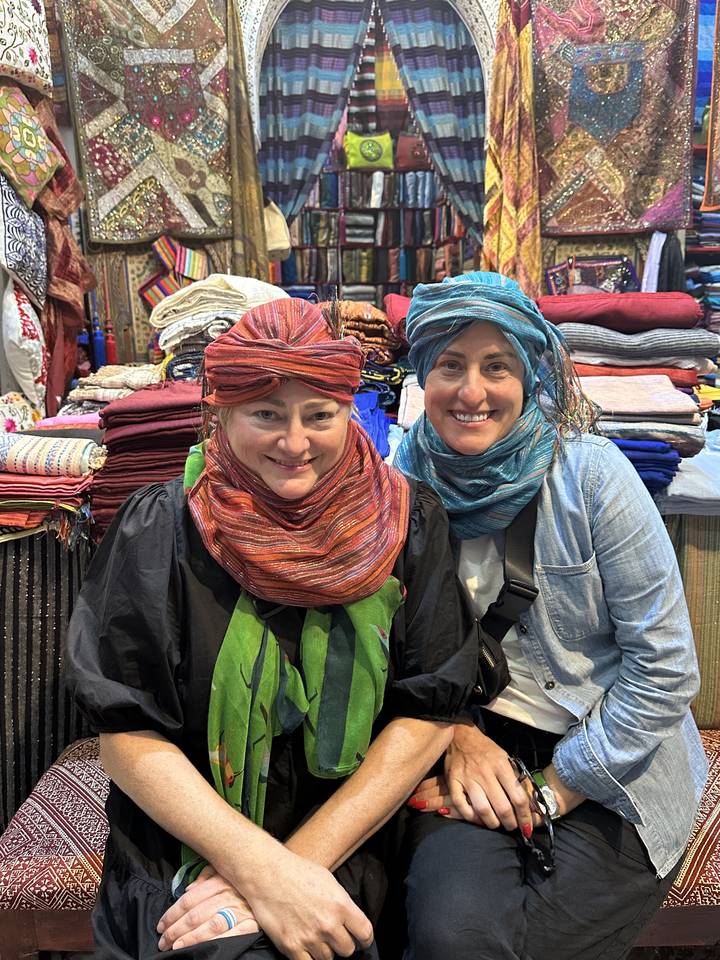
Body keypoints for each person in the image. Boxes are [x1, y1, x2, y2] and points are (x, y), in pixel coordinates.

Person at [65, 296, 476, 960]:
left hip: (354, 831)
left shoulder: (407, 523)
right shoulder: (160, 529)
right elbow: (127, 733)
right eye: (265, 415)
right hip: (189, 838)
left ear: (350, 411)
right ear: (219, 414)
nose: (294, 444)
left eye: (320, 415)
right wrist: (255, 866)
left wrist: (292, 870)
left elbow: (427, 713)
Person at [394, 271, 707, 960]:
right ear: (423, 375)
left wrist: (558, 788)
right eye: (451, 365)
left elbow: (664, 668)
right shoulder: (399, 484)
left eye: (495, 366)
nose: (472, 391)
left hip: (616, 760)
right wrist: (458, 736)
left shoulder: (592, 478)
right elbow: (393, 653)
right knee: (450, 936)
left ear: (529, 375)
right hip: (472, 753)